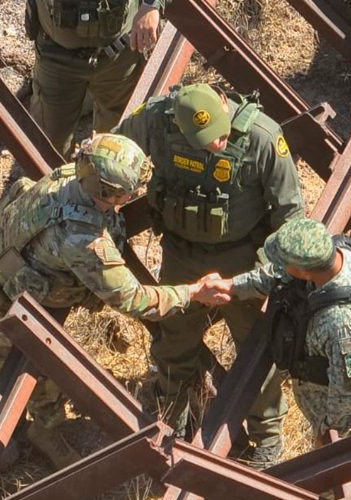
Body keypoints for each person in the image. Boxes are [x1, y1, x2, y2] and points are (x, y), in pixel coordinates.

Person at [0, 133, 227, 467]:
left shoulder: (71, 176)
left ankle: (43, 428)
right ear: (108, 193)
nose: (135, 194)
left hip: (39, 302)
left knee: (49, 367)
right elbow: (133, 300)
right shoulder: (82, 239)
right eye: (129, 192)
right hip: (3, 305)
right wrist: (193, 292)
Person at [114, 82, 304, 462]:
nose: (215, 144)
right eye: (203, 139)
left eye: (219, 134)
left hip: (240, 262)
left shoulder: (263, 137)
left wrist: (268, 276)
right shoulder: (157, 119)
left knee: (254, 348)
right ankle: (174, 415)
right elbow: (115, 149)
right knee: (173, 339)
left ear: (224, 105)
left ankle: (266, 435)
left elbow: (290, 214)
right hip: (181, 255)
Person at [206, 219, 351, 447]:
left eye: (286, 262)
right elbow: (279, 274)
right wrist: (232, 286)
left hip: (349, 423)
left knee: (347, 475)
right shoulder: (337, 254)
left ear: (303, 272)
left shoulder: (342, 325)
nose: (281, 266)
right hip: (332, 400)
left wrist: (327, 437)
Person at [0, 0, 164, 153]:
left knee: (117, 142)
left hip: (118, 58)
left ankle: (107, 205)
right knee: (49, 144)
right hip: (57, 59)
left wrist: (151, 6)